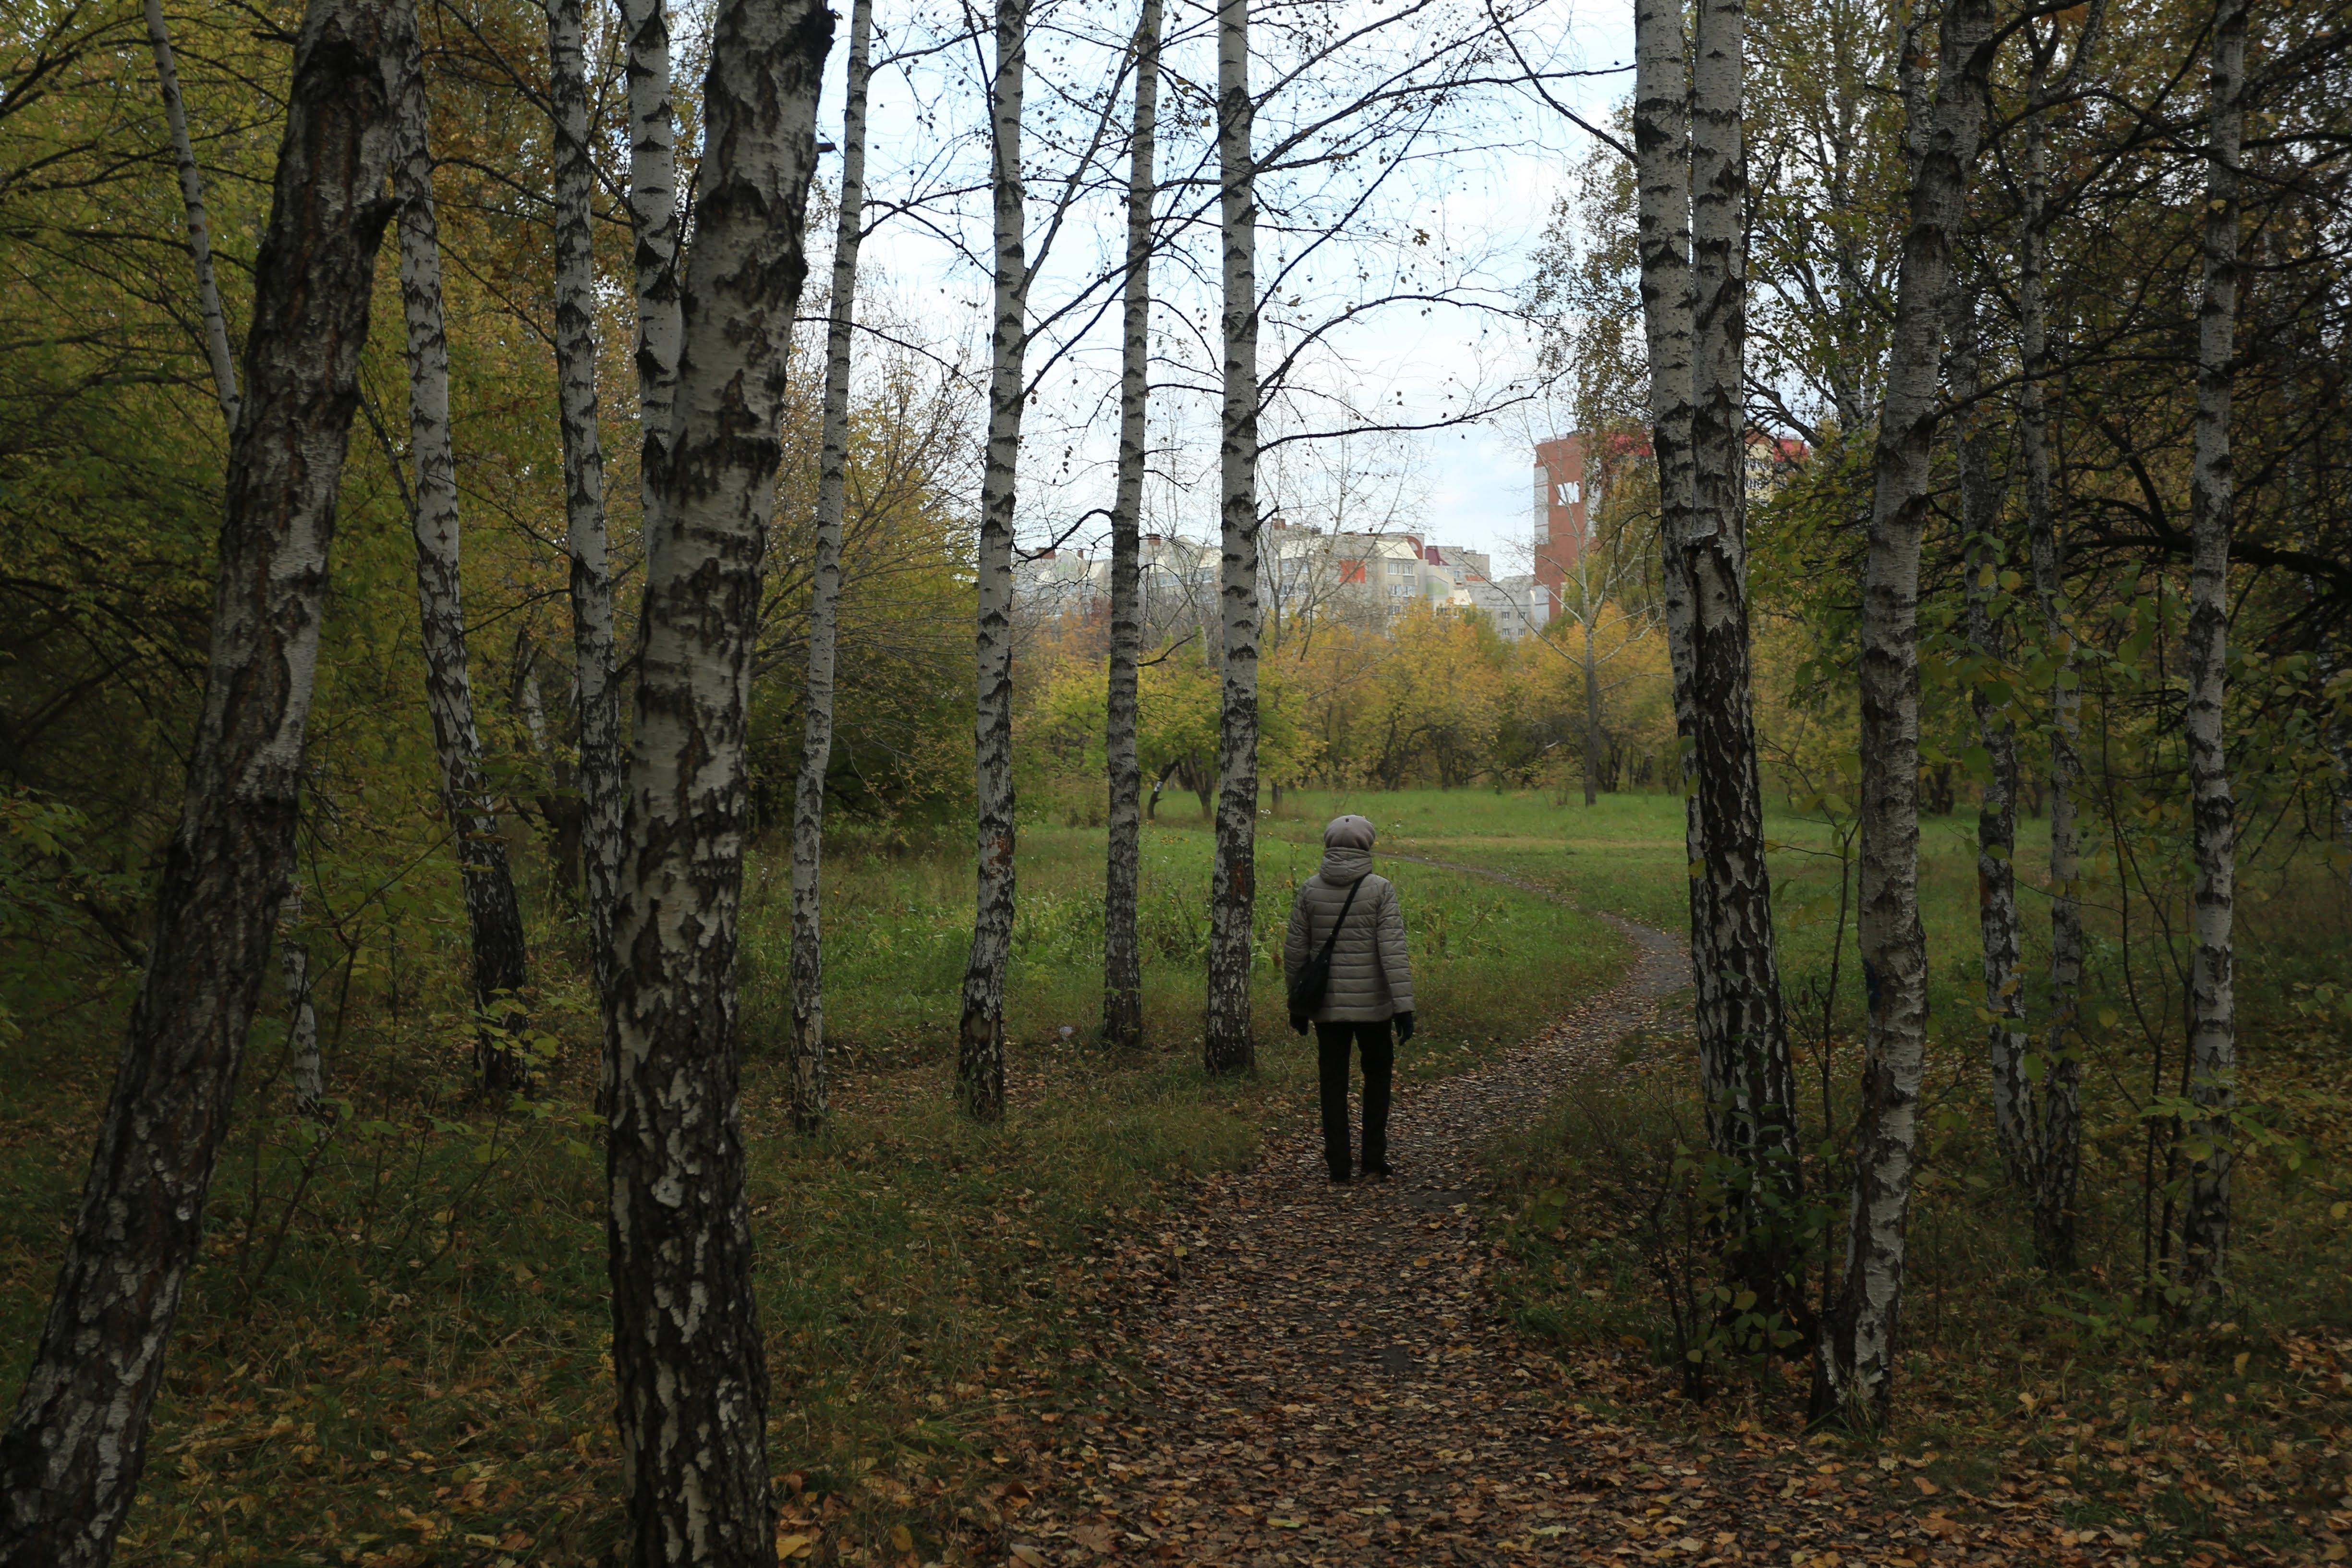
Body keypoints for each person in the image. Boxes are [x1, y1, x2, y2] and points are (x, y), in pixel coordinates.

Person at [1283, 814, 1414, 1184]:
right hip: (1375, 1009)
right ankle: (1373, 1158)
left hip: (1327, 1008)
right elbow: (1393, 952)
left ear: (1328, 844)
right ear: (1366, 845)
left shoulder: (1309, 889)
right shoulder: (1381, 889)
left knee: (1333, 1082)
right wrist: (1403, 1007)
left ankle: (1338, 1166)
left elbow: (1295, 953)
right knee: (1378, 1077)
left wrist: (1297, 1006)